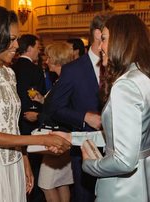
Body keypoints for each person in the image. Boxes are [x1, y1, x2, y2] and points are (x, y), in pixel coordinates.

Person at [0, 6, 71, 202]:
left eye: (16, 38)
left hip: (15, 161)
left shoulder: (9, 73)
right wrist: (43, 140)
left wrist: (24, 161)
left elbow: (14, 126)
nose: (17, 45)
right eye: (12, 39)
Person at [52, 14, 150, 201]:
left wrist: (89, 164)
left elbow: (124, 160)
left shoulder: (125, 85)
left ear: (121, 40)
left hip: (122, 189)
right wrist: (72, 137)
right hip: (142, 182)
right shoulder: (142, 77)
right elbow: (122, 138)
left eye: (103, 39)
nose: (100, 46)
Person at [48, 14, 110, 202]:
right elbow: (55, 108)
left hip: (115, 149)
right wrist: (85, 116)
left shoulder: (119, 64)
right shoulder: (73, 69)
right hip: (85, 149)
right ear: (99, 34)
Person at [25, 42, 74, 202]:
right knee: (61, 182)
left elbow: (60, 112)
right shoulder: (62, 80)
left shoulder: (64, 82)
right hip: (63, 136)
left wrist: (37, 117)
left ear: (57, 60)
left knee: (46, 184)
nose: (46, 61)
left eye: (49, 58)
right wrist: (41, 99)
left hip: (57, 136)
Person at [11, 34, 46, 202]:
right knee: (34, 161)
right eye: (38, 48)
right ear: (30, 48)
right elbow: (34, 95)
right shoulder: (35, 69)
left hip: (14, 120)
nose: (39, 52)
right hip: (31, 121)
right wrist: (34, 112)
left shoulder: (11, 67)